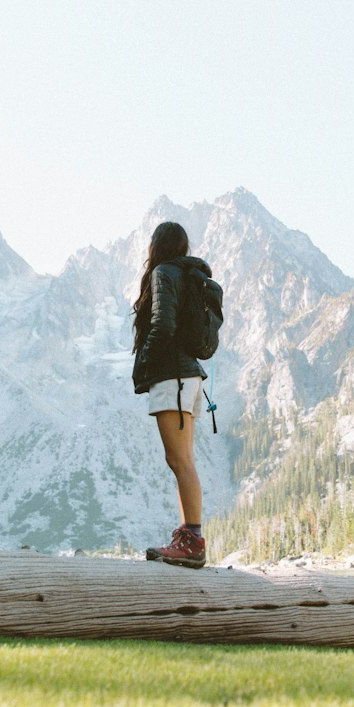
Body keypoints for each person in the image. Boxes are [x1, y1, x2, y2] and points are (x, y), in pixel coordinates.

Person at [132, 220, 212, 569]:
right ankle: (188, 536)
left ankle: (192, 541)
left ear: (157, 245)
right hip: (190, 377)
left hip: (173, 376)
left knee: (179, 461)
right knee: (182, 461)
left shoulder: (163, 272)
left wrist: (148, 358)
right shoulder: (189, 275)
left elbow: (163, 323)